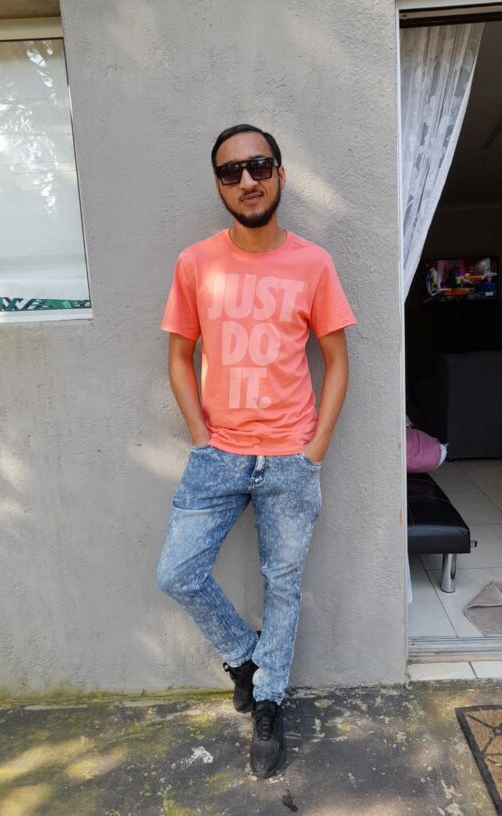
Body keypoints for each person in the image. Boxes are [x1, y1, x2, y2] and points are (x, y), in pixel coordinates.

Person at [156, 124, 357, 778]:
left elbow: (337, 362)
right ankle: (245, 658)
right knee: (177, 573)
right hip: (218, 455)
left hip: (291, 458)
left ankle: (268, 702)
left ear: (280, 174)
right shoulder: (195, 263)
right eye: (231, 171)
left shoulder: (313, 263)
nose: (247, 180)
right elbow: (179, 357)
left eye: (260, 166)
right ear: (219, 185)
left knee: (283, 586)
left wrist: (315, 448)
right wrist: (199, 435)